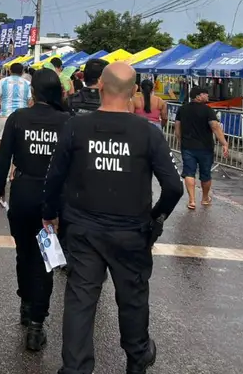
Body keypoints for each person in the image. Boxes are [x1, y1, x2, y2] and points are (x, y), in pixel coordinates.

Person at [43, 62, 183, 374]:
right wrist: (156, 220)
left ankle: (75, 367)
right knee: (133, 296)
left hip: (83, 228)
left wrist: (49, 214)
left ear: (101, 86)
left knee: (81, 298)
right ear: (133, 92)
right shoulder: (148, 133)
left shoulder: (75, 127)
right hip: (131, 230)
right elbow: (174, 187)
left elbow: (54, 177)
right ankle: (137, 355)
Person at [0, 69, 70, 351]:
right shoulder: (66, 121)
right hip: (51, 198)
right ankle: (37, 324)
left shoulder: (18, 119)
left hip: (23, 194)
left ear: (33, 92)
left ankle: (26, 304)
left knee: (24, 252)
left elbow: (4, 158)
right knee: (45, 260)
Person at [174, 86, 229, 210]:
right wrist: (224, 143)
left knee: (189, 172)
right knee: (205, 174)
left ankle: (192, 200)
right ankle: (204, 198)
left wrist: (181, 141)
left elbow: (177, 128)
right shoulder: (208, 110)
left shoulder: (182, 109)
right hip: (205, 147)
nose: (208, 96)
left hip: (187, 146)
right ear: (198, 96)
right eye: (205, 94)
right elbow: (215, 127)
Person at [0, 62, 33, 168]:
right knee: (19, 144)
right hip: (22, 117)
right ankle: (13, 172)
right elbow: (30, 102)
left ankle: (2, 165)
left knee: (1, 142)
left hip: (5, 116)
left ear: (10, 71)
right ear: (22, 72)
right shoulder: (27, 83)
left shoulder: (2, 81)